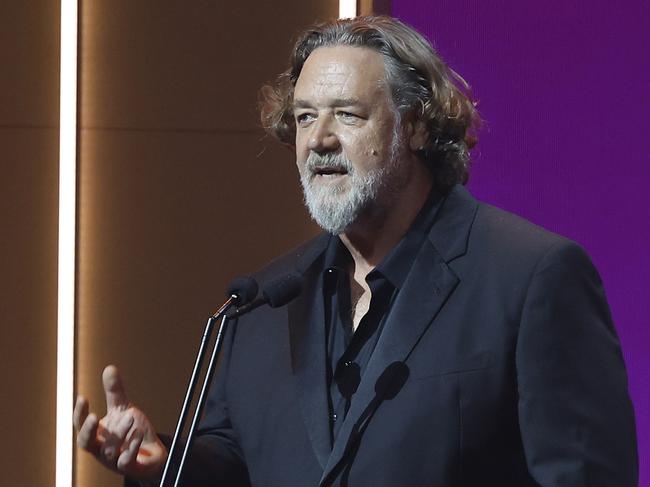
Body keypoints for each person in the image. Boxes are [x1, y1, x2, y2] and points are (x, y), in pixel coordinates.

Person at [74, 15, 638, 486]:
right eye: (303, 117)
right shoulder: (262, 304)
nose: (317, 140)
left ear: (415, 126)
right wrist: (160, 461)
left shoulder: (531, 277)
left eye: (346, 114)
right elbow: (236, 465)